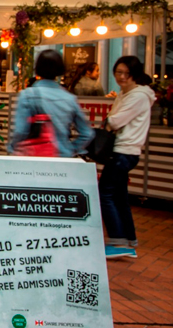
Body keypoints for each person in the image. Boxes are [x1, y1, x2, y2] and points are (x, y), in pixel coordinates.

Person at [100, 56, 155, 259]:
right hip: (125, 151)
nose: (121, 77)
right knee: (118, 196)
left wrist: (109, 121)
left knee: (105, 194)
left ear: (134, 74)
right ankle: (128, 239)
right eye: (118, 72)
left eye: (126, 73)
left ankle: (118, 241)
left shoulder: (137, 96)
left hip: (124, 151)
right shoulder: (128, 94)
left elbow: (115, 121)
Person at [8, 50, 94, 158]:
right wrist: (69, 148)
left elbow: (21, 131)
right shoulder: (70, 98)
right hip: (63, 158)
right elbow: (87, 133)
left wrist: (12, 147)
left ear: (37, 69)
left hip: (34, 157)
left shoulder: (27, 95)